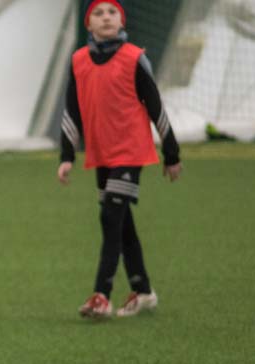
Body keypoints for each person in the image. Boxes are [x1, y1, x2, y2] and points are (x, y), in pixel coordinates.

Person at [58, 0, 182, 319]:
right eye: (98, 13)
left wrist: (171, 152)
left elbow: (155, 106)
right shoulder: (79, 60)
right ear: (88, 24)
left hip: (131, 150)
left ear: (122, 21)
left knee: (110, 216)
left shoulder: (134, 58)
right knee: (121, 222)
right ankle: (144, 291)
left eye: (112, 12)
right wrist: (67, 156)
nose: (106, 18)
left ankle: (101, 294)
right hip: (101, 153)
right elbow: (71, 109)